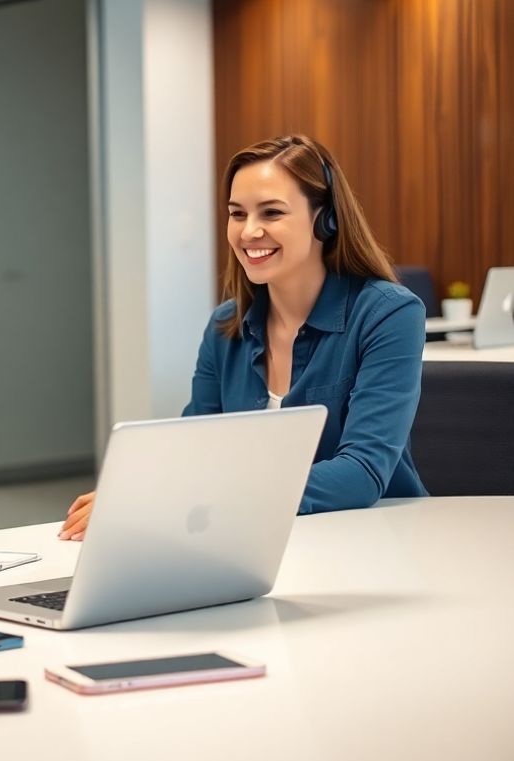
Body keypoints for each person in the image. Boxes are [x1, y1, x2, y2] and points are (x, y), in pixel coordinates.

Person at [60, 134, 426, 541]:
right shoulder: (225, 327)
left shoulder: (388, 314)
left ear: (326, 219)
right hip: (250, 540)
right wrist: (133, 495)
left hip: (374, 542)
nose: (249, 232)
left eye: (271, 213)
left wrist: (213, 495)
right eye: (237, 214)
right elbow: (192, 450)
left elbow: (362, 471)